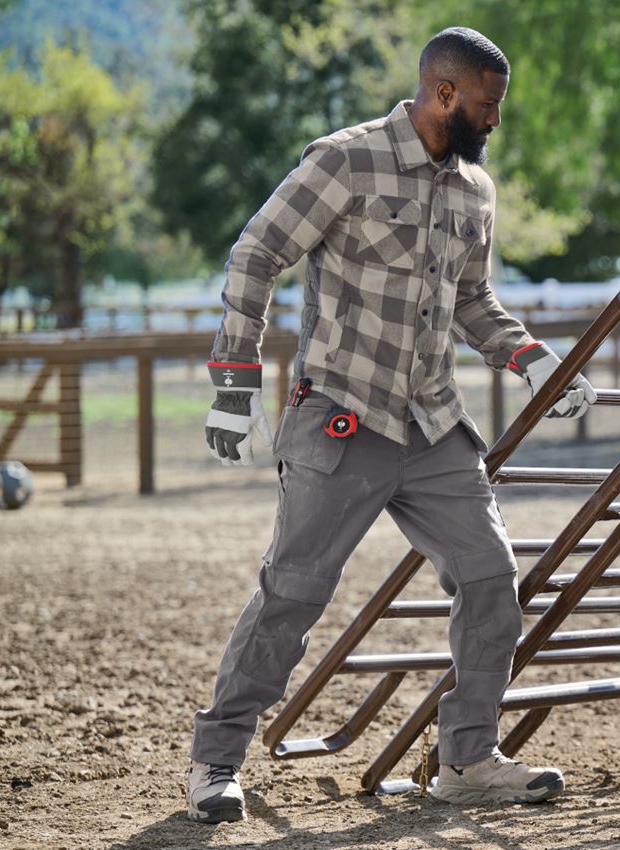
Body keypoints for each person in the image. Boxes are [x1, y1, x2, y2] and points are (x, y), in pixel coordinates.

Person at [187, 26, 596, 823]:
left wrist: (533, 359)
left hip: (434, 423)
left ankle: (468, 758)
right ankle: (214, 760)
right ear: (445, 94)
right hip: (341, 414)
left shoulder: (475, 190)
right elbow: (256, 254)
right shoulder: (345, 160)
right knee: (292, 596)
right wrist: (234, 383)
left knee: (491, 584)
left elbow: (473, 301)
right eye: (487, 105)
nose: (495, 121)